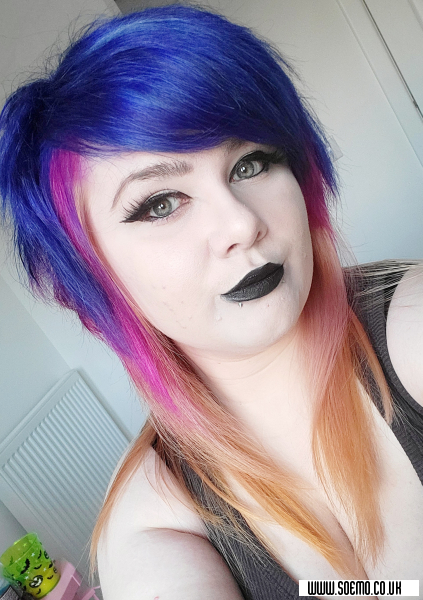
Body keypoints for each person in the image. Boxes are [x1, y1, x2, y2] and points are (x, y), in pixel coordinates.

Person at [0, 5, 422, 599]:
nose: (242, 224)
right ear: (88, 278)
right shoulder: (152, 529)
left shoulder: (410, 323)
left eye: (251, 163)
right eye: (160, 204)